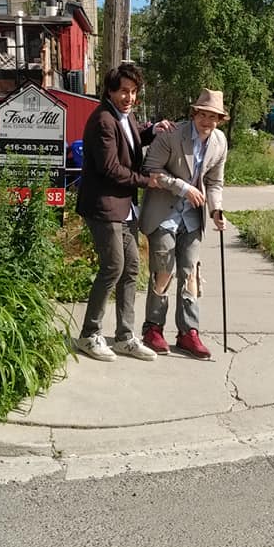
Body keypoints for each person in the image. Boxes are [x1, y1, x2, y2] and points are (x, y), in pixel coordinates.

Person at [74, 63, 173, 362]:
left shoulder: (124, 116)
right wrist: (146, 180)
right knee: (113, 267)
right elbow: (110, 168)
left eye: (133, 92)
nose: (129, 97)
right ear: (109, 91)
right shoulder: (103, 120)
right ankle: (89, 334)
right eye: (123, 92)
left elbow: (130, 140)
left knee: (131, 269)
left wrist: (152, 131)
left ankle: (125, 337)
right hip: (104, 206)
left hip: (124, 206)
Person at [139, 88, 229, 360]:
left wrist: (216, 210)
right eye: (203, 115)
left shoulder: (219, 143)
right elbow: (150, 170)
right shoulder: (171, 135)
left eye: (213, 117)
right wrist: (183, 188)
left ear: (219, 120)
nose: (207, 121)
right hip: (163, 212)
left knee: (190, 273)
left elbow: (214, 182)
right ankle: (153, 328)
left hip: (192, 217)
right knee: (164, 271)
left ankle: (188, 332)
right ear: (194, 113)